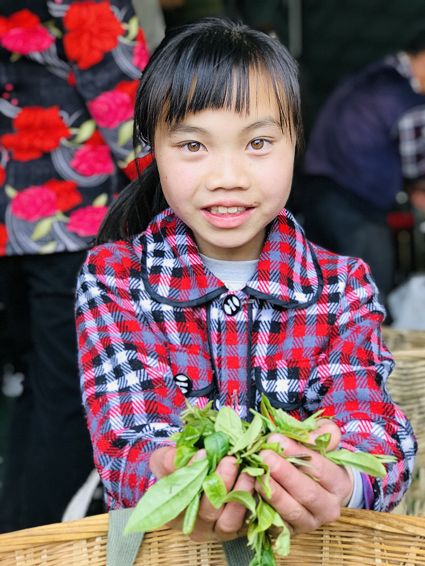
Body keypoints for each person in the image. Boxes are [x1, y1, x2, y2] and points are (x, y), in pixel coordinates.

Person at [75, 18, 416, 542]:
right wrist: (166, 469)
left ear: (295, 142)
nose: (228, 178)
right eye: (193, 146)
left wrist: (346, 479)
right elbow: (127, 444)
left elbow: (371, 425)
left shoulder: (343, 287)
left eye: (258, 142)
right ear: (154, 150)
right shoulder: (114, 279)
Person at [0, 0, 149, 531]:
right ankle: (41, 544)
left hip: (11, 215)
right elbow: (121, 98)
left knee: (36, 385)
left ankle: (14, 535)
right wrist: (166, 187)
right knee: (69, 394)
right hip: (69, 214)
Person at [301, 31, 425, 301]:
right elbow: (416, 166)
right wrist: (418, 189)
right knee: (369, 294)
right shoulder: (404, 95)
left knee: (319, 291)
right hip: (359, 206)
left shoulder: (366, 75)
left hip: (316, 192)